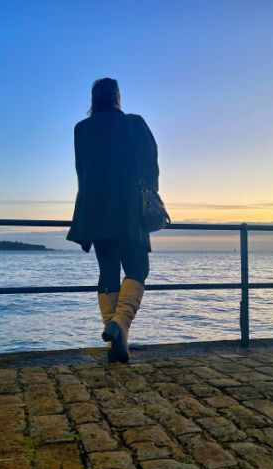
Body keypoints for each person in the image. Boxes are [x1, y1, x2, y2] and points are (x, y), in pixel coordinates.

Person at [66, 78, 160, 363]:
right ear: (117, 97)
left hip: (94, 209)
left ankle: (117, 344)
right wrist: (150, 193)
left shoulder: (81, 129)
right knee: (138, 269)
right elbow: (151, 166)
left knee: (108, 271)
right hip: (129, 208)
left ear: (93, 100)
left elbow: (81, 170)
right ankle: (119, 323)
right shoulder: (135, 124)